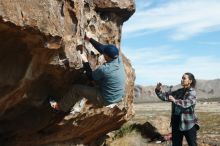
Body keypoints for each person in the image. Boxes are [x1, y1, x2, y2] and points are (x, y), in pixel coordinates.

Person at [50, 34, 126, 112]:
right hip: (117, 96)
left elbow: (90, 76)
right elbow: (101, 49)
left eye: (104, 53)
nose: (102, 53)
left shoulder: (105, 69)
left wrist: (85, 61)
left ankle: (59, 107)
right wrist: (89, 39)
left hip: (106, 99)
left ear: (107, 56)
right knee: (95, 81)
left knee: (76, 89)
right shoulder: (118, 59)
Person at [155, 72, 199, 146]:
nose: (182, 80)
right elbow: (166, 96)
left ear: (190, 81)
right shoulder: (179, 91)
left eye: (184, 78)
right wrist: (158, 90)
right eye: (182, 78)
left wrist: (175, 101)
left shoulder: (192, 92)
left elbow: (187, 103)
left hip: (188, 123)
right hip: (176, 123)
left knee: (192, 144)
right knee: (176, 144)